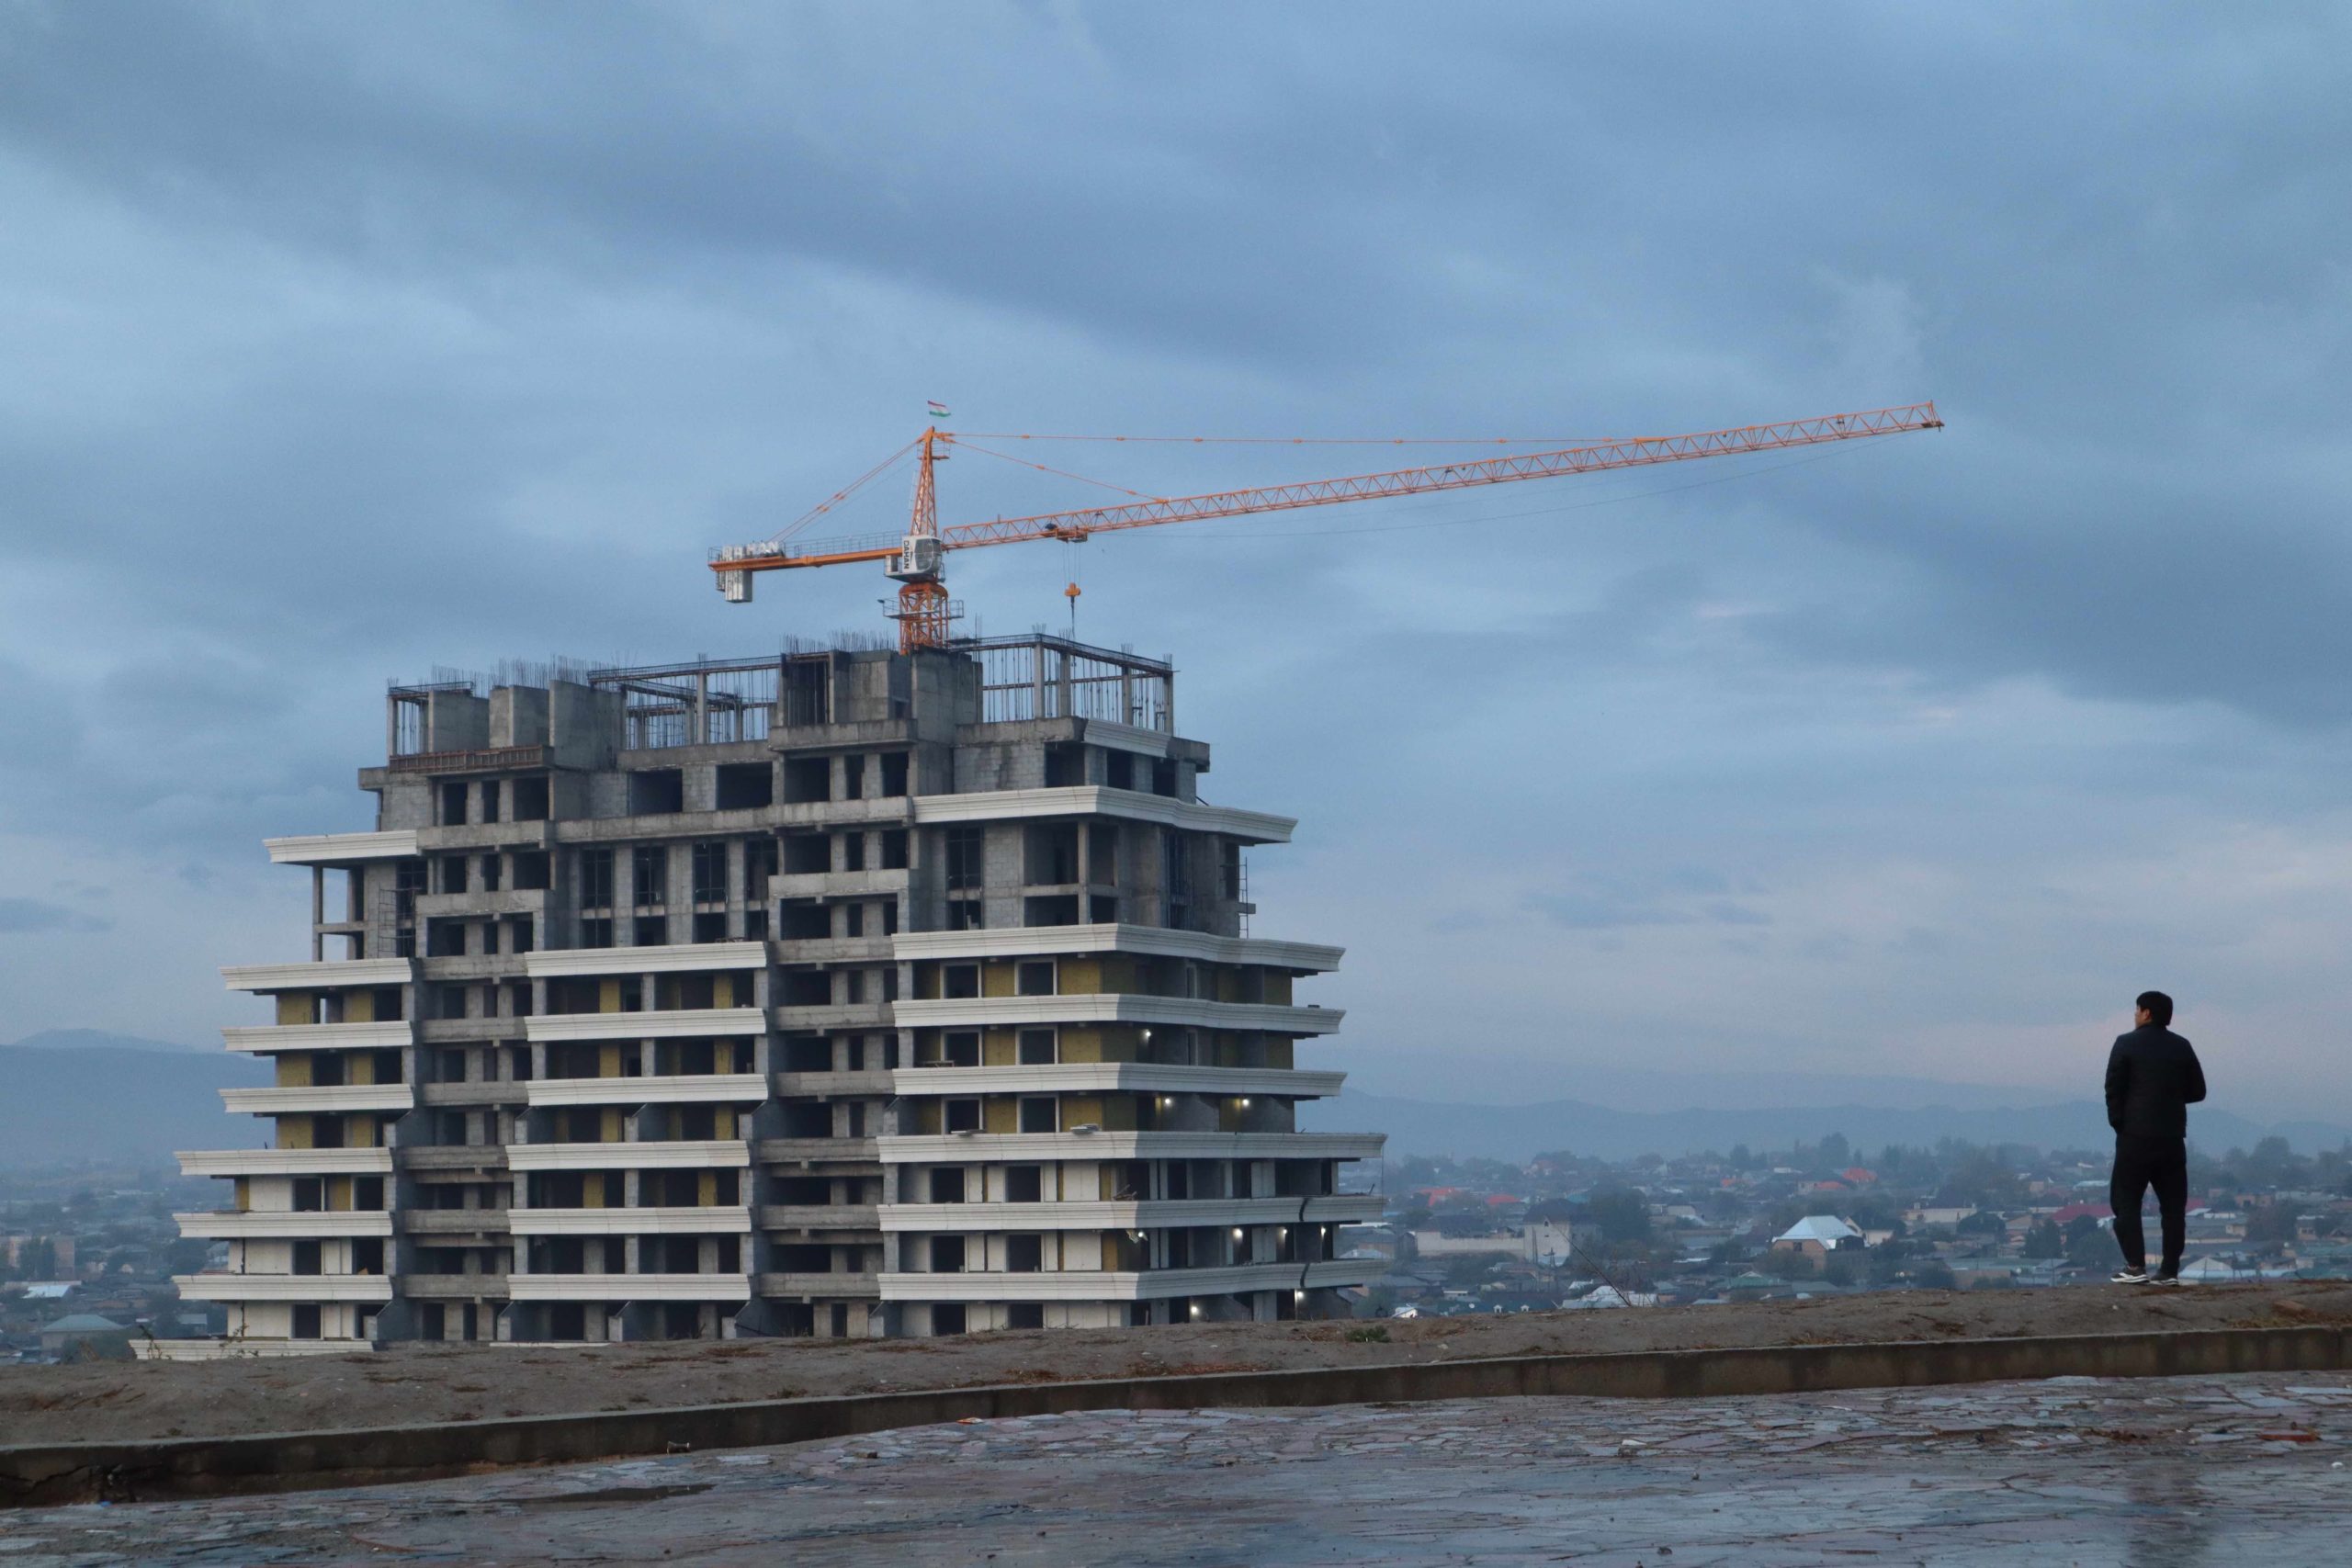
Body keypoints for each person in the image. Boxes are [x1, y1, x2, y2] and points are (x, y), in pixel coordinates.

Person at [2104, 990, 2206, 1285]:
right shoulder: (2182, 1046)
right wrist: (2170, 1097)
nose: (2135, 1015)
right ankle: (2169, 1271)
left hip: (2134, 1137)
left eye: (2137, 1010)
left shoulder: (2126, 1043)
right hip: (2173, 1138)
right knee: (2173, 1209)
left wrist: (2119, 1122)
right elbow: (2198, 1091)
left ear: (2146, 1013)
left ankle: (2135, 1266)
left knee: (2126, 1202)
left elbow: (2113, 1088)